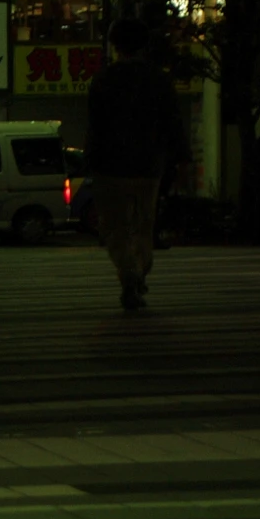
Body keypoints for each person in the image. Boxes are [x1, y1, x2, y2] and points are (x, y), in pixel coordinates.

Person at [83, 18, 189, 313]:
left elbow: (95, 126)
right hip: (148, 165)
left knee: (115, 228)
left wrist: (89, 162)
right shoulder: (159, 79)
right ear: (144, 45)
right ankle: (139, 270)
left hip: (109, 166)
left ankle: (128, 273)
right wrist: (181, 159)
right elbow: (173, 122)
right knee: (144, 224)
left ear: (115, 46)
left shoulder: (103, 80)